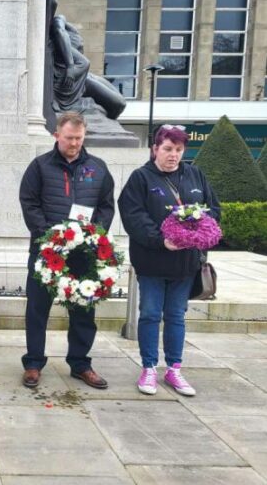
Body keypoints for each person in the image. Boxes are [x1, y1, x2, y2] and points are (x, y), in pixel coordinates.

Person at [118, 124, 220, 396]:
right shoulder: (141, 178)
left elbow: (213, 210)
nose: (173, 155)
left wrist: (202, 233)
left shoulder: (195, 175)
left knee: (176, 316)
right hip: (152, 261)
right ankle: (149, 368)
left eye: (178, 149)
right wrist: (160, 239)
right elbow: (134, 215)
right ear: (155, 149)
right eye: (167, 149)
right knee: (150, 314)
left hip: (185, 264)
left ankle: (174, 369)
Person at [19, 111, 115, 389]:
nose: (74, 143)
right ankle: (34, 363)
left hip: (84, 255)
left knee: (83, 309)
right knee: (38, 309)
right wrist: (51, 236)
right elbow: (29, 202)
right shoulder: (39, 166)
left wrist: (94, 235)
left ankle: (80, 363)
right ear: (57, 135)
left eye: (79, 138)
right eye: (69, 138)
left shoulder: (98, 167)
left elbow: (107, 205)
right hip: (46, 253)